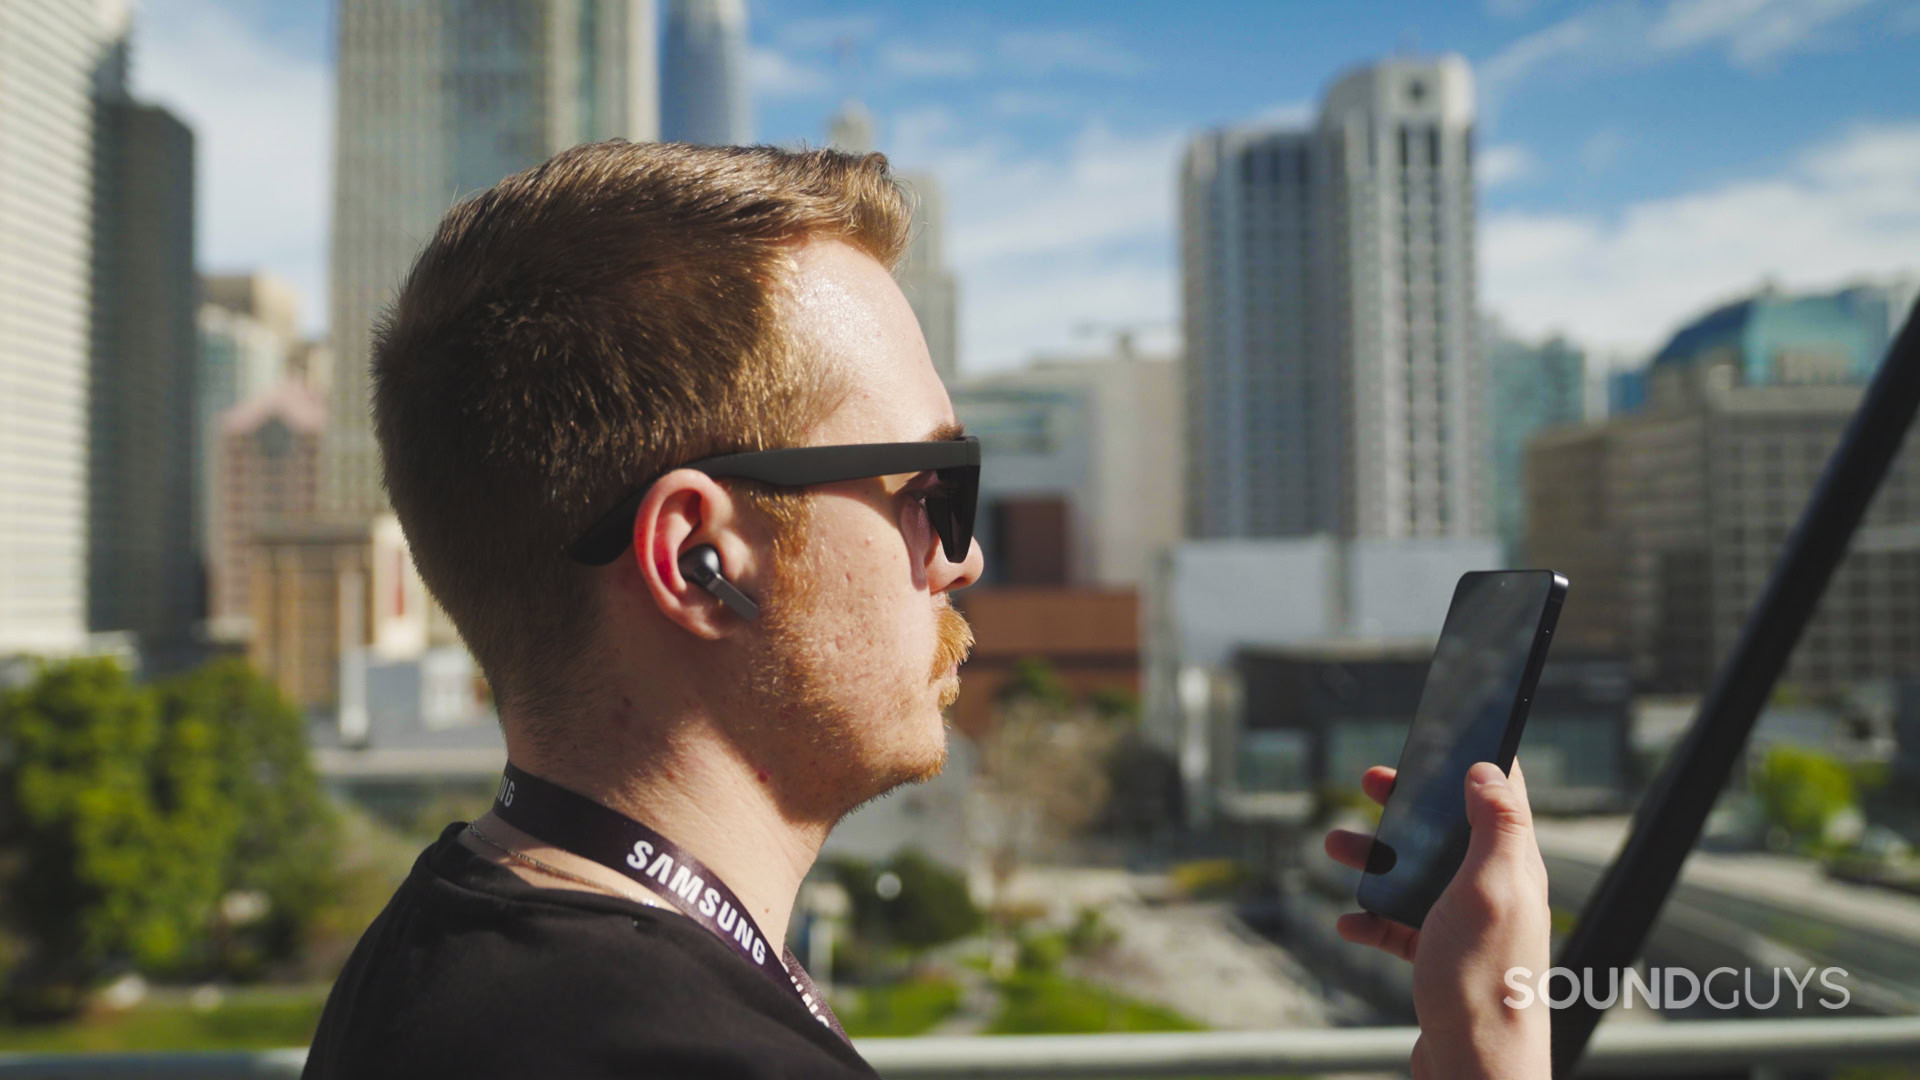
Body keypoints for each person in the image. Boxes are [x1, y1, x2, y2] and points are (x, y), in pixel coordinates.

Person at [303, 141, 1550, 1080]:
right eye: (931, 490)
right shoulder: (678, 1055)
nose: (961, 563)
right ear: (699, 558)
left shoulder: (437, 947)